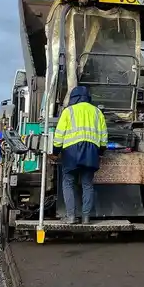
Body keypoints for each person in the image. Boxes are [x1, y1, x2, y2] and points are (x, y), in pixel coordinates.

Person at [52, 85, 108, 224]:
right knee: (87, 184)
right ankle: (86, 217)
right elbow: (103, 136)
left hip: (71, 152)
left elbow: (59, 134)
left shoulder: (68, 111)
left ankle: (71, 216)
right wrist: (100, 151)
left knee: (68, 183)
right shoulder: (97, 112)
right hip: (91, 151)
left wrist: (55, 152)